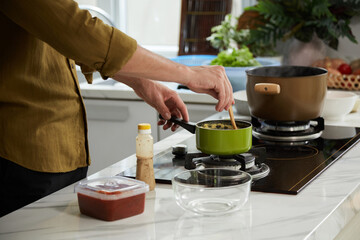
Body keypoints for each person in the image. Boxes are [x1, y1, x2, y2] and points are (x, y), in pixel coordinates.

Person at [0, 0, 234, 217]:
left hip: (59, 151)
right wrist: (189, 73)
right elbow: (81, 34)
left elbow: (61, 39)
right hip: (19, 155)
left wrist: (143, 83)